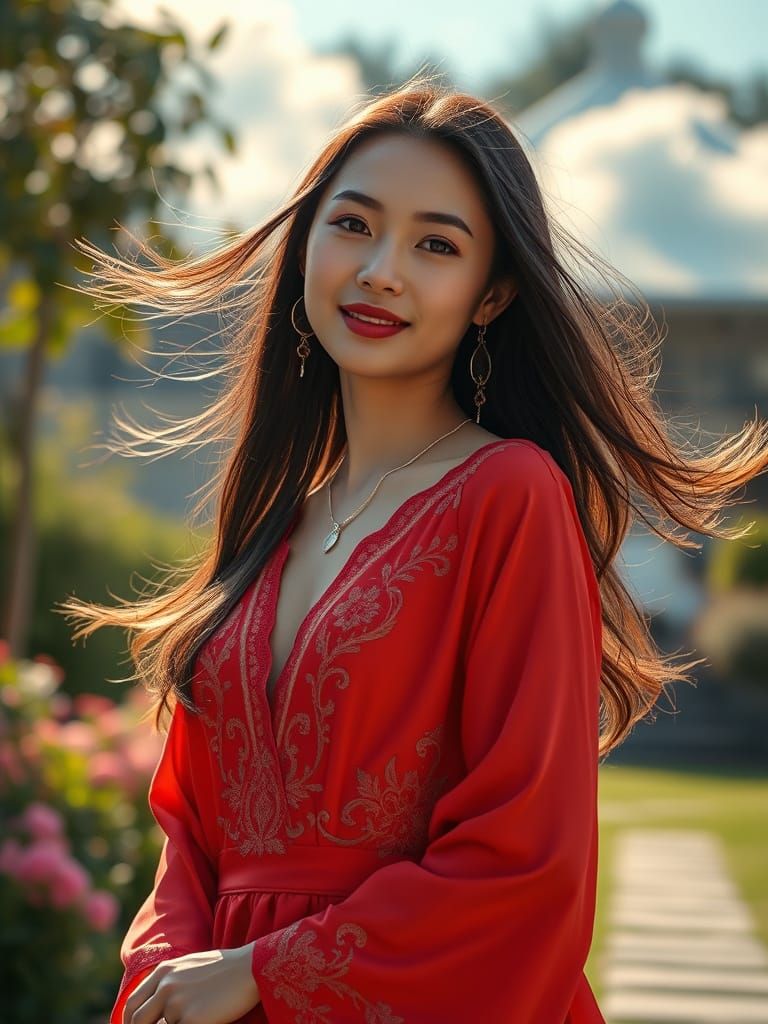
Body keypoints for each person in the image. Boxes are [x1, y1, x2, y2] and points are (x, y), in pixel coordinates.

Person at [61, 76, 768, 1024]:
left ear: (493, 294)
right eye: (353, 225)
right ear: (307, 243)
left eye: (437, 245)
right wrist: (174, 972)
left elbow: (524, 855)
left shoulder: (509, 497)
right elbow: (189, 828)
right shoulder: (271, 521)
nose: (382, 269)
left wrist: (266, 973)